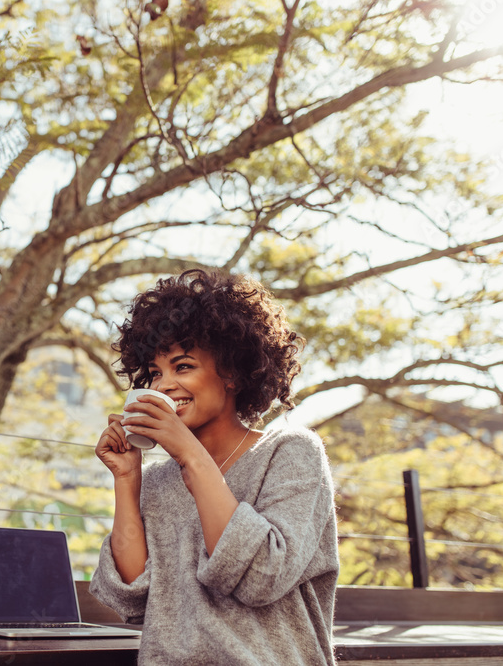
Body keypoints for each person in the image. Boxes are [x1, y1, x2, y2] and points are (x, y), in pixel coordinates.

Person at [89, 269, 338, 665]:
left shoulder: (292, 453)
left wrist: (189, 454)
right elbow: (131, 598)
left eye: (182, 366)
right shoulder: (158, 480)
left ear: (233, 374)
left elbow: (262, 576)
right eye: (155, 372)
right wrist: (127, 478)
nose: (163, 385)